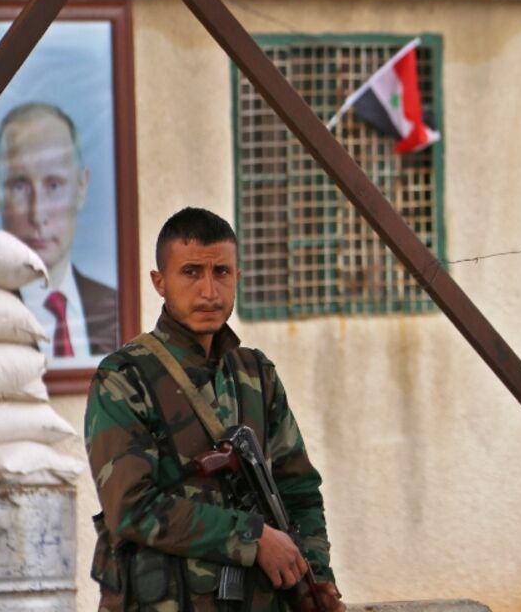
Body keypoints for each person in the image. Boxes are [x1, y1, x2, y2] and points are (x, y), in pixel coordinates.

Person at [85, 207, 344, 612]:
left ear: (237, 277)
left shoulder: (257, 375)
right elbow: (131, 506)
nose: (209, 291)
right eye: (191, 272)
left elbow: (300, 491)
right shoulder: (123, 378)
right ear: (160, 282)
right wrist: (252, 538)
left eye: (221, 272)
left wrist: (314, 575)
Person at [0, 102, 118, 359]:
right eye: (19, 187)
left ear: (81, 188)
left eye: (54, 185)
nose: (38, 214)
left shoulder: (116, 310)